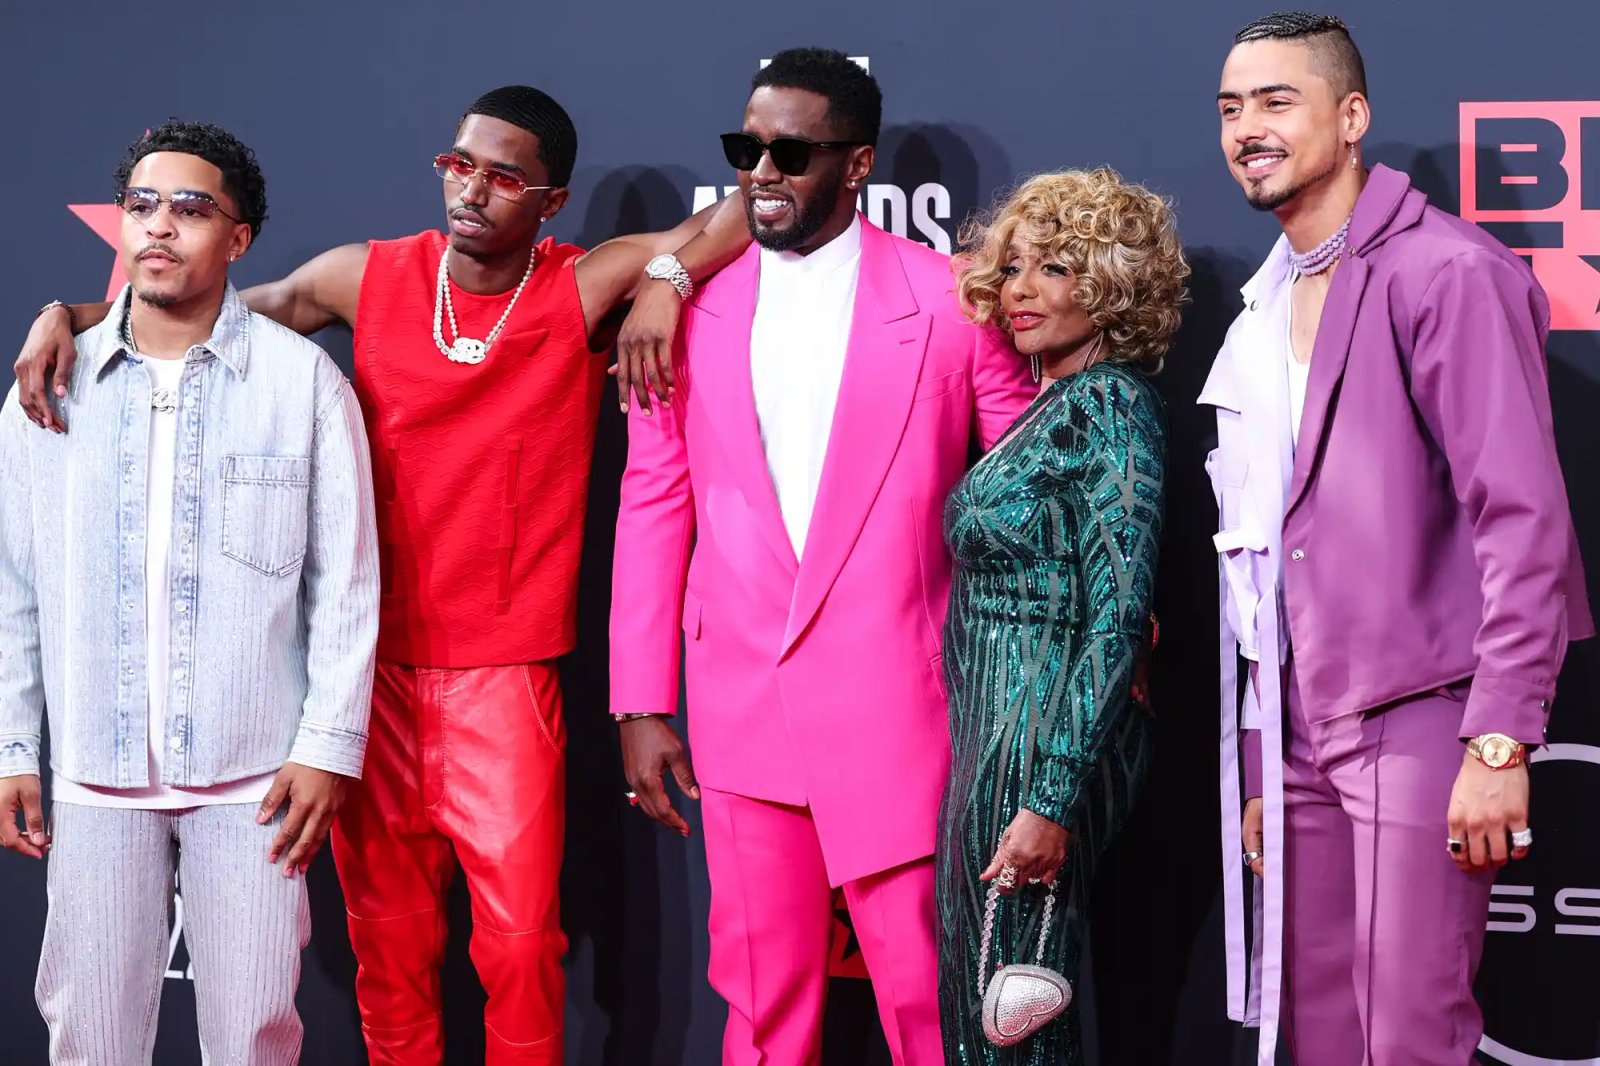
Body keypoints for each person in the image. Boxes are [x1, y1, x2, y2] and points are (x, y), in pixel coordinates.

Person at [11, 87, 750, 1065]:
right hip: (371, 681)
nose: (471, 190)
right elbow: (211, 312)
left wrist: (660, 277)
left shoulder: (578, 284)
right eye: (457, 165)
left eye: (501, 176)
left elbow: (737, 210)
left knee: (523, 948)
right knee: (389, 954)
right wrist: (67, 312)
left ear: (551, 200)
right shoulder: (368, 276)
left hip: (504, 677)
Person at [609, 48, 1034, 1066]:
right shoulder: (686, 314)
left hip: (907, 708)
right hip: (738, 707)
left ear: (855, 165)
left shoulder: (947, 300)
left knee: (935, 1006)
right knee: (760, 1010)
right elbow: (654, 500)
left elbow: (1026, 497)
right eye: (745, 148)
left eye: (789, 152)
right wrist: (639, 699)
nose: (761, 171)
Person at [1205, 13, 1593, 1065]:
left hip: (1424, 713)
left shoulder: (1445, 272)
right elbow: (1252, 551)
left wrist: (1500, 736)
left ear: (1351, 115)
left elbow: (1522, 521)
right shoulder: (1263, 301)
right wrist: (1257, 751)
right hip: (1298, 724)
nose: (1248, 128)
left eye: (1276, 102)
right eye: (1232, 108)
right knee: (1323, 1030)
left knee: (1409, 1030)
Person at [0, 120, 378, 1063]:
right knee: (89, 1037)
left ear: (239, 238)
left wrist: (329, 746)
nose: (160, 226)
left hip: (255, 783)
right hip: (94, 775)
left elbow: (346, 584)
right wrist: (13, 745)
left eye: (191, 207)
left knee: (255, 1037)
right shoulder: (50, 386)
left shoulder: (304, 386)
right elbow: (16, 582)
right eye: (142, 205)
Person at [937, 168, 1183, 1063]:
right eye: (1014, 270)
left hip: (1041, 735)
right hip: (998, 726)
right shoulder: (1051, 408)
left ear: (1111, 285)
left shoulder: (1109, 407)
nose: (1022, 292)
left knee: (1010, 1012)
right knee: (989, 998)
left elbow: (1119, 619)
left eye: (1055, 269)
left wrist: (1050, 796)